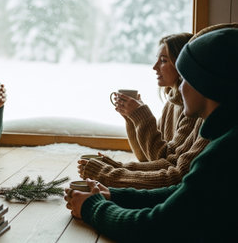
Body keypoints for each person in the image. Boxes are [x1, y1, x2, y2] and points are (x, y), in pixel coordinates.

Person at [65, 27, 238, 242]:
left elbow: (154, 225)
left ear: (205, 83)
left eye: (185, 79)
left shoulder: (224, 152)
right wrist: (116, 195)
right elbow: (184, 190)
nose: (179, 88)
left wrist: (92, 206)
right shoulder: (225, 134)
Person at [78, 33, 210, 189]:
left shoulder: (195, 111)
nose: (154, 67)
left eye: (163, 60)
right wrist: (131, 118)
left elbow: (167, 162)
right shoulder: (171, 103)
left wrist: (141, 117)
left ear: (183, 64)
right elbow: (146, 158)